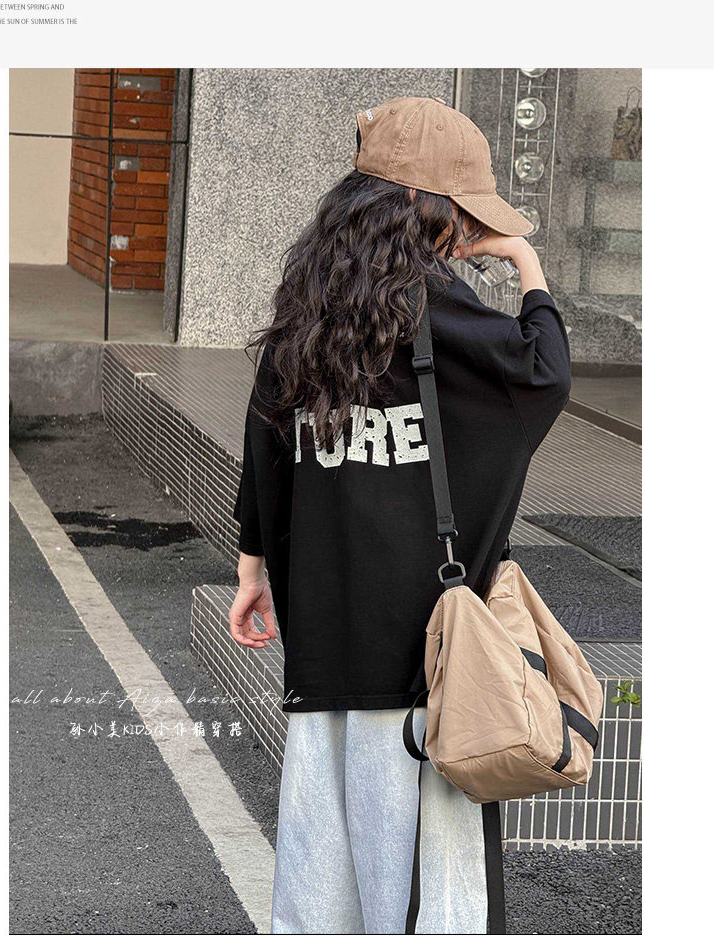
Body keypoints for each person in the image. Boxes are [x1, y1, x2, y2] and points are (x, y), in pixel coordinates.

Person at [228, 96, 571, 934]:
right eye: (465, 215)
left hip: (324, 649)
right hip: (425, 664)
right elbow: (543, 374)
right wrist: (526, 264)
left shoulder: (308, 308)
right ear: (428, 207)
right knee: (427, 899)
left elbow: (264, 435)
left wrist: (252, 567)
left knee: (322, 891)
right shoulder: (441, 311)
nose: (469, 233)